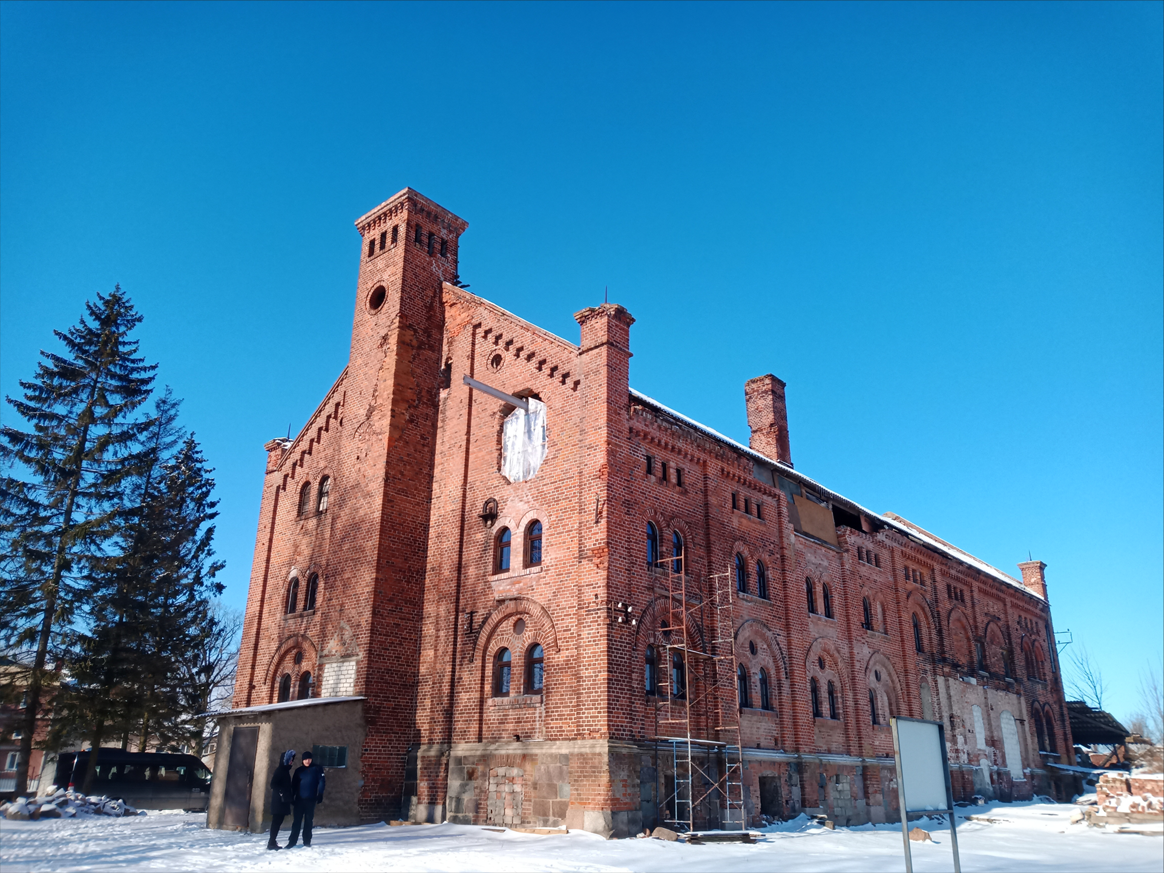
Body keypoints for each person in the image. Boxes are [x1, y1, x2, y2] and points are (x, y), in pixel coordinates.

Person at [286, 750, 325, 848]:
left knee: (308, 821)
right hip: (299, 800)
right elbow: (294, 785)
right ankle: (292, 841)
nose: (307, 761)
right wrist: (292, 797)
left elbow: (322, 781)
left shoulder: (317, 769)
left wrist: (320, 793)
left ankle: (307, 841)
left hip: (311, 800)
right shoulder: (299, 771)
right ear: (302, 760)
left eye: (309, 759)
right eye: (305, 759)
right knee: (296, 822)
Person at [267, 750, 295, 851]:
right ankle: (271, 843)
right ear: (285, 760)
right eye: (290, 760)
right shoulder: (280, 770)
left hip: (282, 801)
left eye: (292, 760)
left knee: (278, 822)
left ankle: (272, 842)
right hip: (279, 802)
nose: (291, 762)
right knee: (276, 822)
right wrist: (282, 792)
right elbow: (273, 784)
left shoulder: (285, 771)